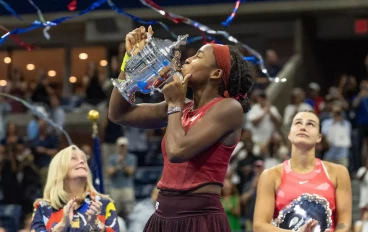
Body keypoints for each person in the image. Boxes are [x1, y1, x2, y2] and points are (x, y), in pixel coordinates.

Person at [108, 26, 254, 232]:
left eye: (198, 57)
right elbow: (118, 114)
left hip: (199, 219)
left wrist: (174, 104)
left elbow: (178, 152)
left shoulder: (229, 108)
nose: (187, 59)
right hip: (161, 215)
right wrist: (130, 63)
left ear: (216, 73)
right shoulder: (180, 107)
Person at [253, 111, 352, 232]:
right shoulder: (270, 175)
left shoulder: (338, 173)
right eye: (298, 123)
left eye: (310, 124)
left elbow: (344, 222)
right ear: (289, 134)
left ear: (319, 137)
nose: (303, 127)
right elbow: (259, 226)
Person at [31, 145, 119, 231]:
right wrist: (61, 226)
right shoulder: (42, 208)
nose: (82, 161)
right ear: (59, 168)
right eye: (73, 158)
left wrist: (98, 227)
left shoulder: (105, 204)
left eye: (84, 159)